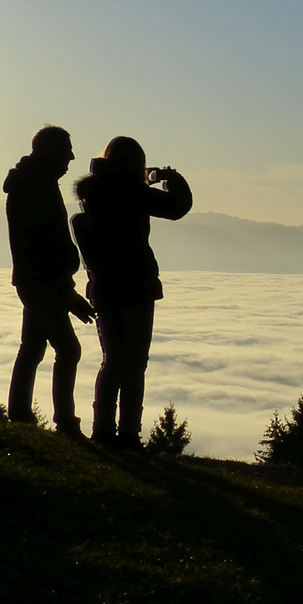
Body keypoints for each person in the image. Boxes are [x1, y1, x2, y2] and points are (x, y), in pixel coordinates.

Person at [72, 136, 193, 447]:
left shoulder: (93, 195)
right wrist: (170, 178)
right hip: (137, 283)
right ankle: (128, 433)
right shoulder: (133, 191)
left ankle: (102, 430)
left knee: (112, 360)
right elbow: (178, 208)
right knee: (135, 361)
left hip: (103, 285)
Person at [4, 125, 92, 438]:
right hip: (42, 282)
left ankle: (20, 416)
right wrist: (67, 293)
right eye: (66, 148)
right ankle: (65, 423)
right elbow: (43, 246)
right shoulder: (37, 185)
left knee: (32, 348)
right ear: (50, 151)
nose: (72, 156)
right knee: (68, 350)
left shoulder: (31, 182)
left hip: (35, 281)